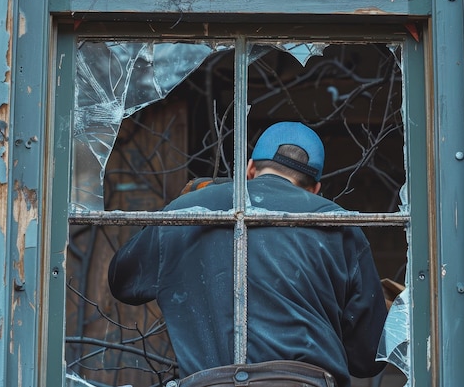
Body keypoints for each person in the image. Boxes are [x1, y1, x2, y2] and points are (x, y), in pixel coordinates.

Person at [108, 121, 388, 387]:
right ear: (315, 189)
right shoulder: (337, 224)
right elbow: (368, 359)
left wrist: (176, 212)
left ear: (250, 169)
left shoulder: (188, 210)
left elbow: (122, 281)